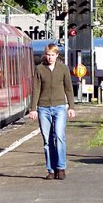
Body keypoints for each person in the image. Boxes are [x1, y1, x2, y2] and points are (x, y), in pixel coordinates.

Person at [28, 43, 76, 180]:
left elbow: (68, 88)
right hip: (43, 108)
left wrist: (71, 106)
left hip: (59, 107)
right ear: (45, 55)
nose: (50, 57)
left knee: (59, 136)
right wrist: (33, 108)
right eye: (48, 55)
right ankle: (51, 169)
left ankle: (61, 168)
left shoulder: (63, 69)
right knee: (47, 140)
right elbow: (36, 89)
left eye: (52, 55)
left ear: (57, 55)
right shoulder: (39, 69)